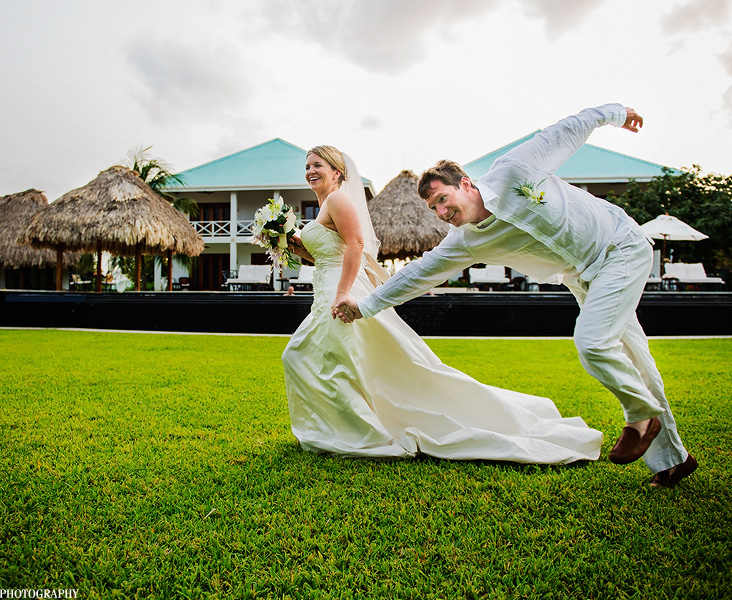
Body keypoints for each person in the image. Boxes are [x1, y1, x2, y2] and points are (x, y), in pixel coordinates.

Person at [334, 104, 697, 487]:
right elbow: (416, 274)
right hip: (583, 278)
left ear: (467, 185)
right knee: (636, 358)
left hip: (619, 246)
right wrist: (365, 306)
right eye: (432, 207)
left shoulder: (515, 170)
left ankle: (641, 416)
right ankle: (673, 460)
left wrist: (617, 113)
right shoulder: (464, 241)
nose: (441, 211)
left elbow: (566, 129)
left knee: (592, 342)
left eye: (443, 198)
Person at [281, 145, 603, 463]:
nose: (311, 171)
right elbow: (326, 255)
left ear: (337, 172)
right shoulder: (324, 205)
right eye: (307, 166)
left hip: (341, 289)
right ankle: (340, 428)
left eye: (318, 165)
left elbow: (356, 245)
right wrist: (292, 247)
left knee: (310, 356)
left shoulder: (338, 199)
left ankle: (358, 432)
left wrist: (343, 292)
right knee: (326, 358)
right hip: (326, 287)